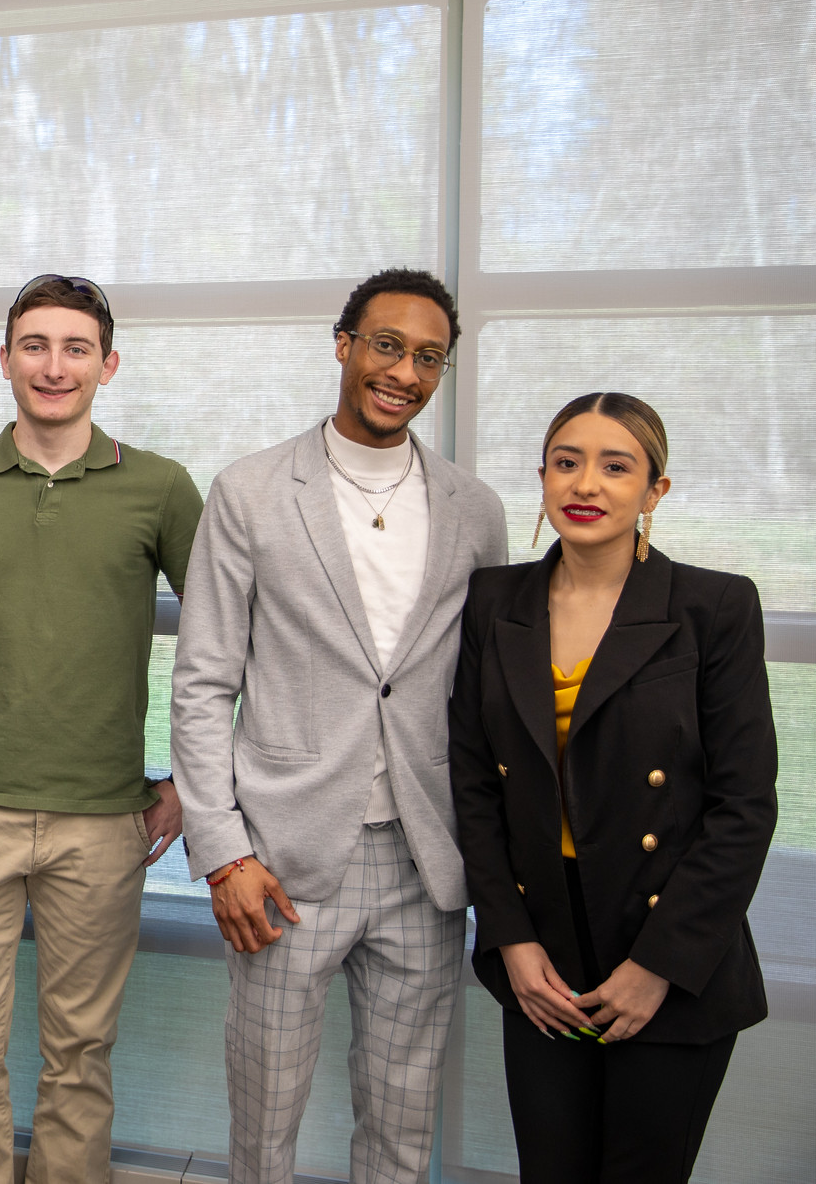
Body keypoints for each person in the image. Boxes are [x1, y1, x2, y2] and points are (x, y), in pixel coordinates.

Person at [172, 267, 508, 1184]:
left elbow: (486, 693)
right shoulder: (248, 490)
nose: (404, 370)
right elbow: (203, 682)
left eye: (428, 356)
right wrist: (224, 852)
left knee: (401, 1132)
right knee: (265, 1127)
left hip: (426, 860)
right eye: (387, 345)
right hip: (282, 861)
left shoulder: (475, 510)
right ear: (344, 343)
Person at [0, 274, 200, 1184]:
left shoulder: (161, 488)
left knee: (80, 1056)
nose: (54, 364)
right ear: (5, 359)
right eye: (34, 344)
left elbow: (225, 641)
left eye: (76, 347)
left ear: (108, 364)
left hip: (105, 819)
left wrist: (189, 781)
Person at [448, 393, 775, 1184]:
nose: (584, 482)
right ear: (542, 478)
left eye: (615, 464)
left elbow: (744, 805)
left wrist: (658, 964)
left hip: (671, 948)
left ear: (655, 490)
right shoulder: (494, 603)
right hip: (544, 951)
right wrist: (511, 939)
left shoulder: (714, 606)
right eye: (566, 461)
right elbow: (471, 783)